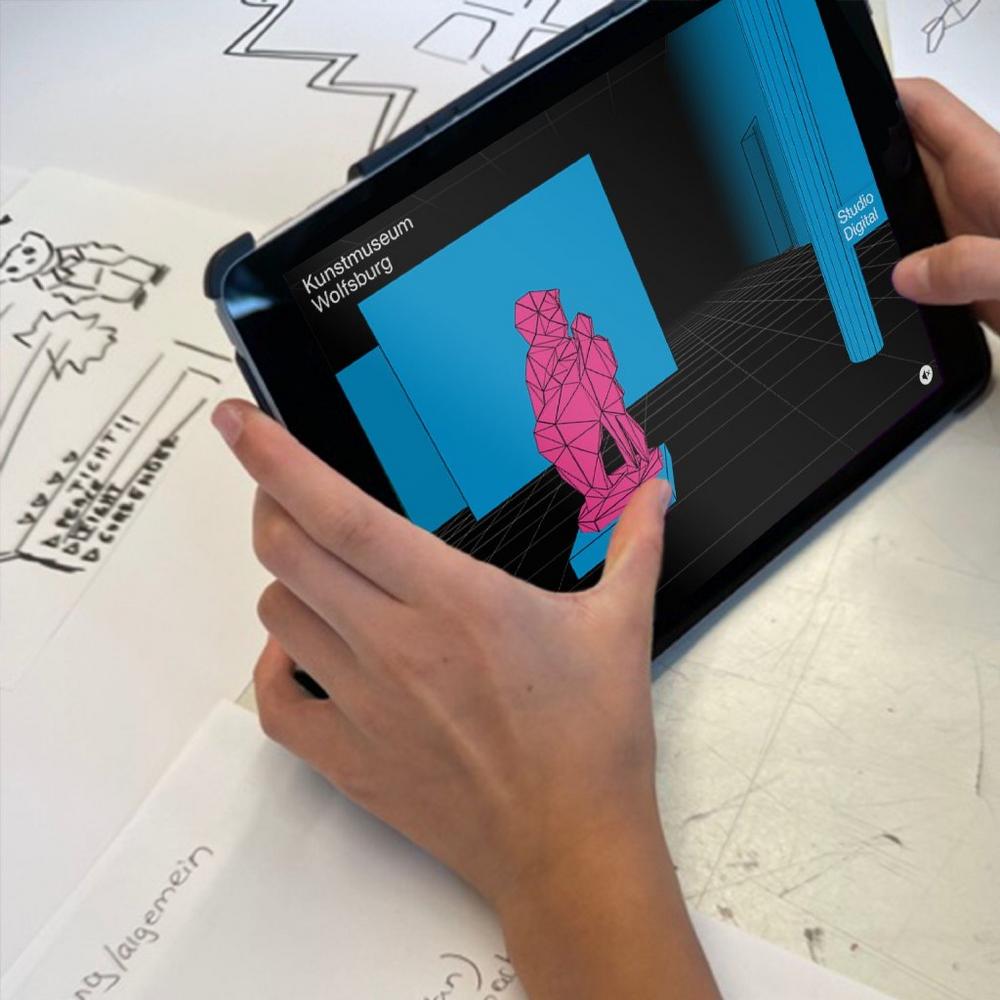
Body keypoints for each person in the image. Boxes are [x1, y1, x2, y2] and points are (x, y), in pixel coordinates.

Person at [210, 79, 998, 1000]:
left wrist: (557, 843)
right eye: (537, 322)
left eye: (545, 318)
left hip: (609, 420)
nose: (543, 325)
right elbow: (549, 414)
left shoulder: (576, 346)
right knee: (584, 454)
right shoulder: (545, 366)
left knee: (613, 439)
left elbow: (597, 380)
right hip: (583, 432)